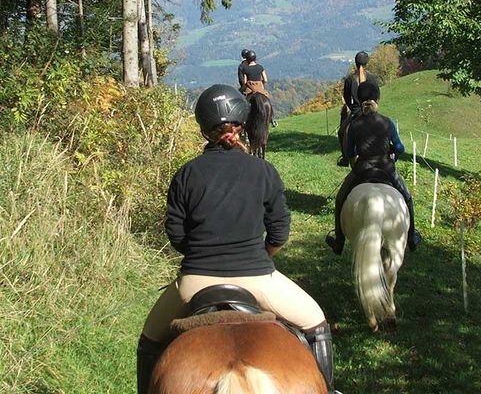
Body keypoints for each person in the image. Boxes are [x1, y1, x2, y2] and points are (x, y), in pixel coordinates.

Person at [136, 85, 340, 394]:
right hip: (258, 277)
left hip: (195, 283)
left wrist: (203, 253)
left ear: (204, 130)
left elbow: (176, 234)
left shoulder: (186, 174)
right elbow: (279, 231)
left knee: (149, 340)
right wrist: (264, 254)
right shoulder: (263, 171)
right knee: (317, 324)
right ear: (241, 125)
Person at [326, 79, 422, 255]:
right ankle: (411, 237)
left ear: (360, 99)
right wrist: (393, 151)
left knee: (340, 200)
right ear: (377, 99)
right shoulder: (387, 122)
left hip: (362, 169)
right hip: (386, 168)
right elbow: (400, 148)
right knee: (407, 198)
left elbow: (348, 152)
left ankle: (339, 242)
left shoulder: (355, 124)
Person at [336, 51, 378, 167]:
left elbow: (347, 98)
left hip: (356, 112)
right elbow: (377, 96)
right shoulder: (372, 78)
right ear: (367, 63)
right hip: (372, 112)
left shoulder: (350, 79)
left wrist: (353, 108)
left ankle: (345, 159)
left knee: (341, 132)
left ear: (355, 63)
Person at [239, 50, 277, 127]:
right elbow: (265, 79)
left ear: (247, 59)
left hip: (250, 88)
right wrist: (260, 84)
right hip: (260, 87)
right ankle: (272, 119)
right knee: (267, 99)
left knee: (243, 102)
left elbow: (245, 81)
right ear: (255, 58)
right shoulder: (260, 67)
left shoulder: (245, 69)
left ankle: (243, 122)